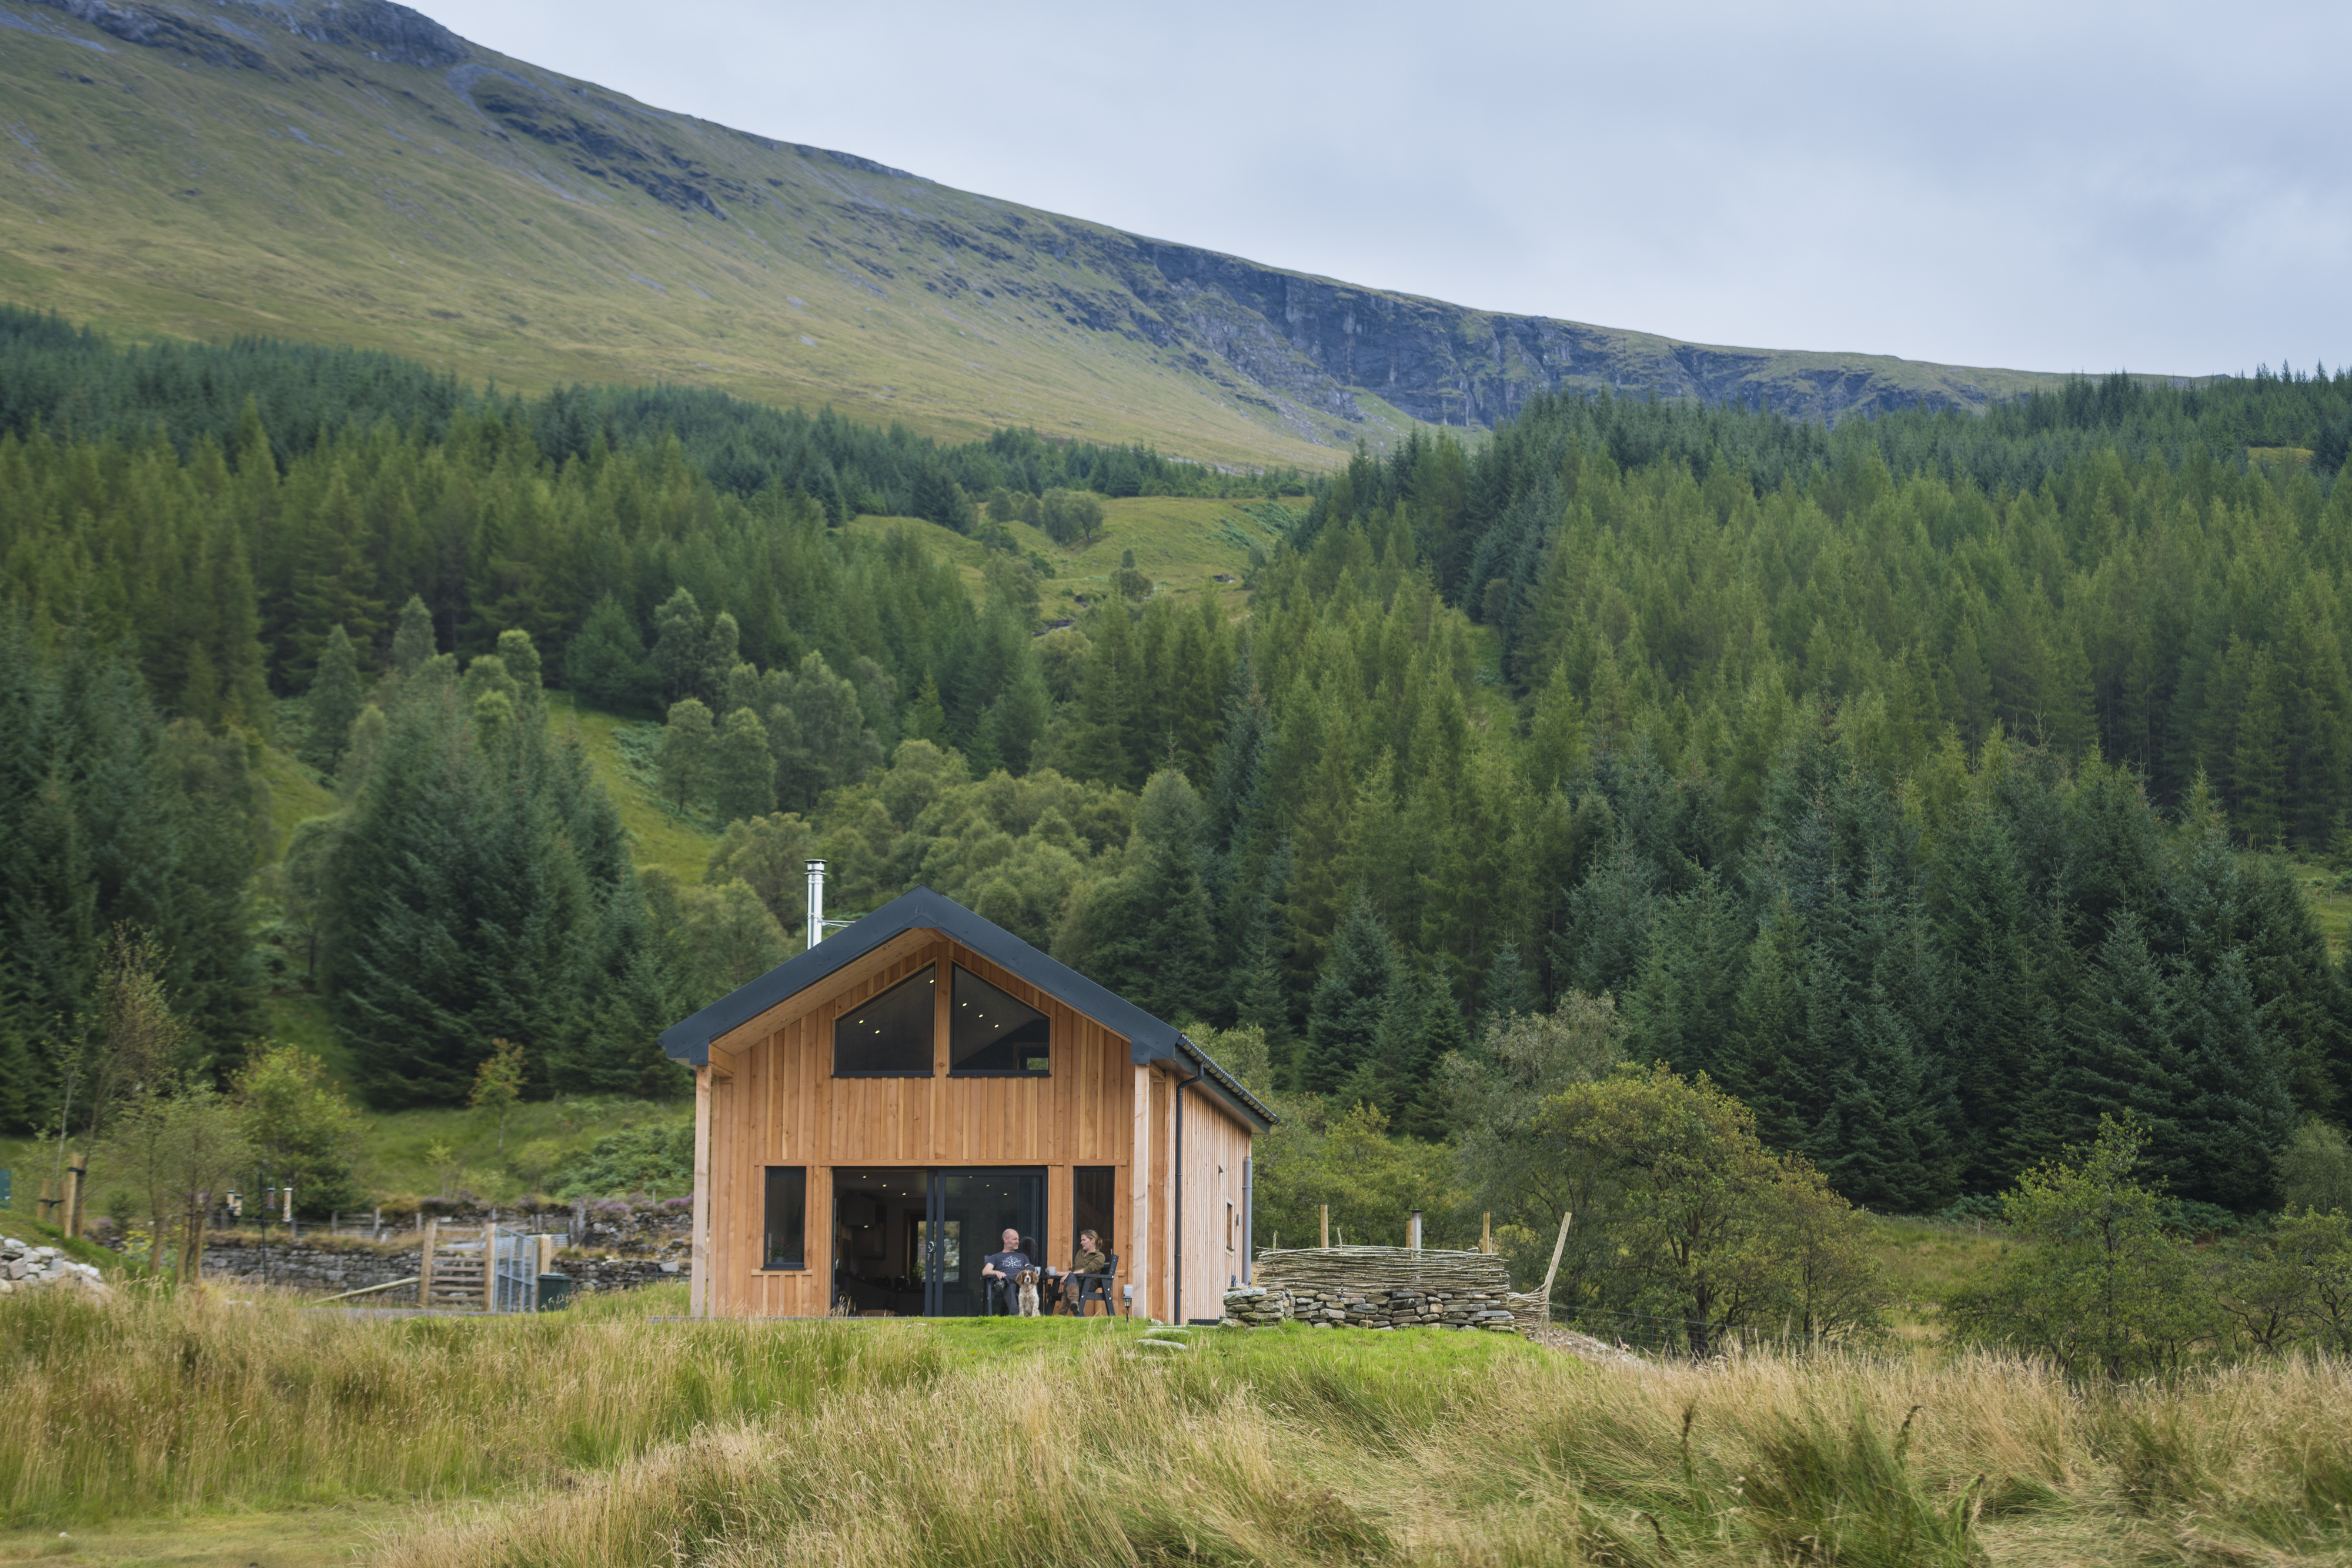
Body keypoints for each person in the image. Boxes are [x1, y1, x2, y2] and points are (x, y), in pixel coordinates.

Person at [1049, 1228, 1108, 1315]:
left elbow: (1088, 1270)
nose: (1081, 1243)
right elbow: (1073, 1271)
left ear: (1093, 1240)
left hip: (1089, 1283)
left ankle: (1062, 1314)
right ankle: (1074, 1303)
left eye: (1084, 1240)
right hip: (1076, 1281)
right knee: (1070, 1280)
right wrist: (1058, 1273)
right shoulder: (1080, 1253)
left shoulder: (1100, 1257)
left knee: (1069, 1281)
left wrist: (1070, 1275)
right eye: (1081, 1240)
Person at [980, 1226, 1030, 1315]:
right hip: (1008, 1286)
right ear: (1006, 1240)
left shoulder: (1023, 1256)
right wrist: (996, 1272)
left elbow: (1030, 1270)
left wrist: (1006, 1279)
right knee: (1010, 1286)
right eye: (1015, 1239)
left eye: (1018, 1239)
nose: (1018, 1242)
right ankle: (1014, 1316)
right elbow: (985, 1271)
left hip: (1022, 1283)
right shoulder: (996, 1257)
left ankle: (1005, 1280)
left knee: (1029, 1270)